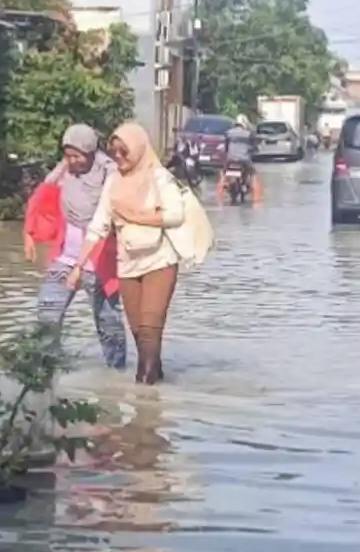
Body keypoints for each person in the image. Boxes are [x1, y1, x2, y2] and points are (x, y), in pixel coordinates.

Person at [68, 123, 186, 385]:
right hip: (128, 265)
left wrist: (138, 216)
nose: (118, 158)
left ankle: (143, 393)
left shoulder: (159, 178)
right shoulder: (113, 183)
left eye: (124, 152)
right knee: (138, 332)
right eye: (114, 153)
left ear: (139, 150)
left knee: (149, 330)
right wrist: (78, 266)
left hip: (159, 262)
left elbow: (177, 215)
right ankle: (155, 384)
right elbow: (97, 227)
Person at [23, 124, 127, 369]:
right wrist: (29, 234)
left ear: (91, 152)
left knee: (108, 324)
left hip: (99, 262)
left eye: (77, 156)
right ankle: (46, 371)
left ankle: (116, 376)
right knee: (48, 314)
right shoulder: (63, 172)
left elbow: (118, 212)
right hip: (65, 259)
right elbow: (41, 198)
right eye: (68, 155)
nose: (71, 161)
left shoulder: (110, 175)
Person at [214, 125, 264, 203]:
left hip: (231, 159)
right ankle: (256, 198)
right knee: (253, 173)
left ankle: (219, 196)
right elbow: (254, 147)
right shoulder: (248, 134)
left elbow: (225, 146)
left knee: (223, 174)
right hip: (244, 160)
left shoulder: (228, 133)